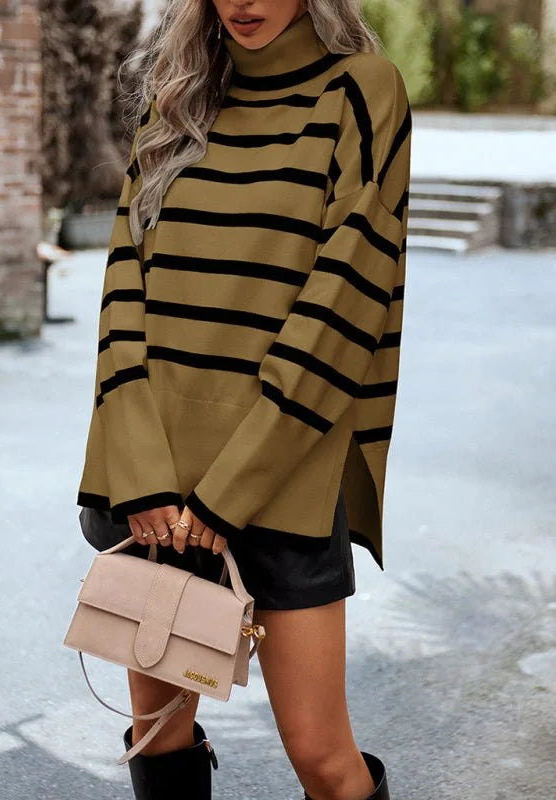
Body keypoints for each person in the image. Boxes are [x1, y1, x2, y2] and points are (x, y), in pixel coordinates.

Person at [76, 0, 412, 798]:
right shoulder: (180, 95)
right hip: (156, 485)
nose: (245, 3)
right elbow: (126, 282)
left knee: (324, 761)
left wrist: (229, 496)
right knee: (160, 742)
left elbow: (347, 305)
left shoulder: (363, 92)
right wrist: (144, 471)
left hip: (280, 476)